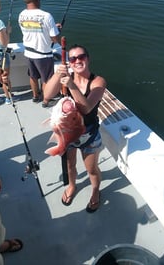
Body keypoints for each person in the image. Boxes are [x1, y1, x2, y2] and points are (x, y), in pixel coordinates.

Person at [44, 44, 106, 212]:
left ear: (88, 58)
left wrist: (71, 85)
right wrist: (59, 74)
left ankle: (95, 190)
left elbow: (86, 108)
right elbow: (47, 95)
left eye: (81, 57)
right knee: (70, 165)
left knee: (91, 168)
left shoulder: (98, 82)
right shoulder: (65, 77)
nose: (77, 61)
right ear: (69, 63)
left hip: (89, 133)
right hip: (68, 133)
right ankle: (72, 185)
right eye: (73, 58)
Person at [18, 0, 61, 107]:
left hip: (28, 53)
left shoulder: (21, 15)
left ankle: (35, 96)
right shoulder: (46, 16)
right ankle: (46, 100)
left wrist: (53, 28)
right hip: (43, 55)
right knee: (46, 79)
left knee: (33, 76)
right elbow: (55, 39)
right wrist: (57, 31)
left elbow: (32, 28)